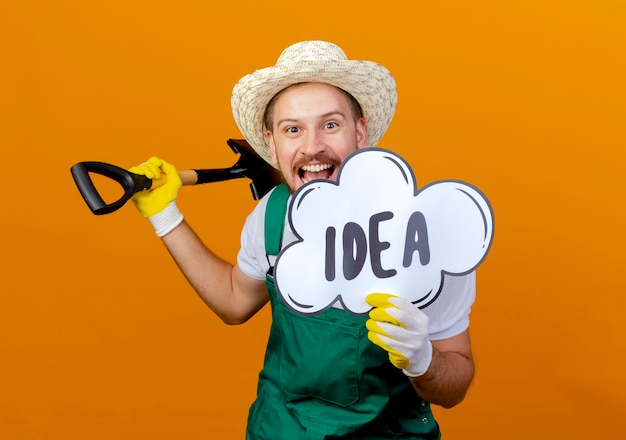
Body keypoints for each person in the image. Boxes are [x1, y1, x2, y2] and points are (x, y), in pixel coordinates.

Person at [129, 40, 476, 439]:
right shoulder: (271, 215)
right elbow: (233, 303)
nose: (312, 147)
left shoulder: (424, 232)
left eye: (330, 125)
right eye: (292, 129)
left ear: (359, 132)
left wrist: (424, 362)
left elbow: (455, 386)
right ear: (273, 146)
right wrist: (164, 214)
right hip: (281, 429)